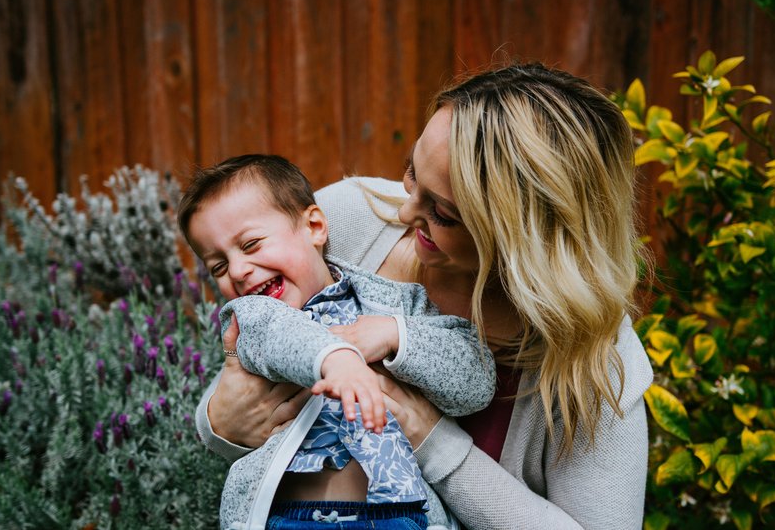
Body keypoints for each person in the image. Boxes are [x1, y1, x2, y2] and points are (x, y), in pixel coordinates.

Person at [197, 63, 654, 529]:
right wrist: (220, 423)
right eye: (412, 174)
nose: (404, 209)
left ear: (525, 240)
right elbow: (257, 353)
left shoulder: (599, 367)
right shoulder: (348, 219)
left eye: (444, 214)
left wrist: (435, 443)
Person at [178, 154, 495, 530]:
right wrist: (336, 358)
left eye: (250, 245)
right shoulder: (253, 322)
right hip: (298, 519)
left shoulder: (395, 305)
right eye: (218, 266)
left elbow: (474, 382)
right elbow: (284, 337)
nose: (238, 271)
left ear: (314, 226)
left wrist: (398, 336)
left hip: (401, 516)